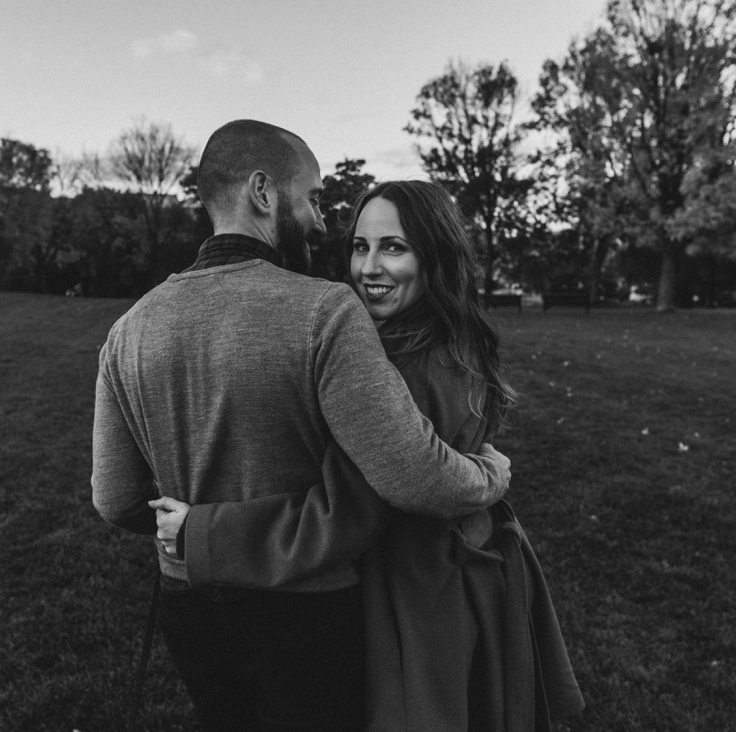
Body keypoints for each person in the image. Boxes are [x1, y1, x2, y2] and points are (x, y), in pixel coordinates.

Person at [91, 121, 512, 732]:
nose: (320, 220)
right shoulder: (324, 311)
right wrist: (488, 475)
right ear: (263, 192)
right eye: (312, 197)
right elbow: (415, 474)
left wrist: (177, 527)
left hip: (191, 605)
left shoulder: (128, 329)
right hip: (305, 612)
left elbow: (114, 498)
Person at [154, 180, 584, 730]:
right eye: (361, 246)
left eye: (394, 247)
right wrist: (488, 474)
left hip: (418, 594)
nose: (370, 267)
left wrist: (203, 533)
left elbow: (344, 512)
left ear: (435, 256)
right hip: (464, 571)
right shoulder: (452, 336)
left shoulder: (395, 367)